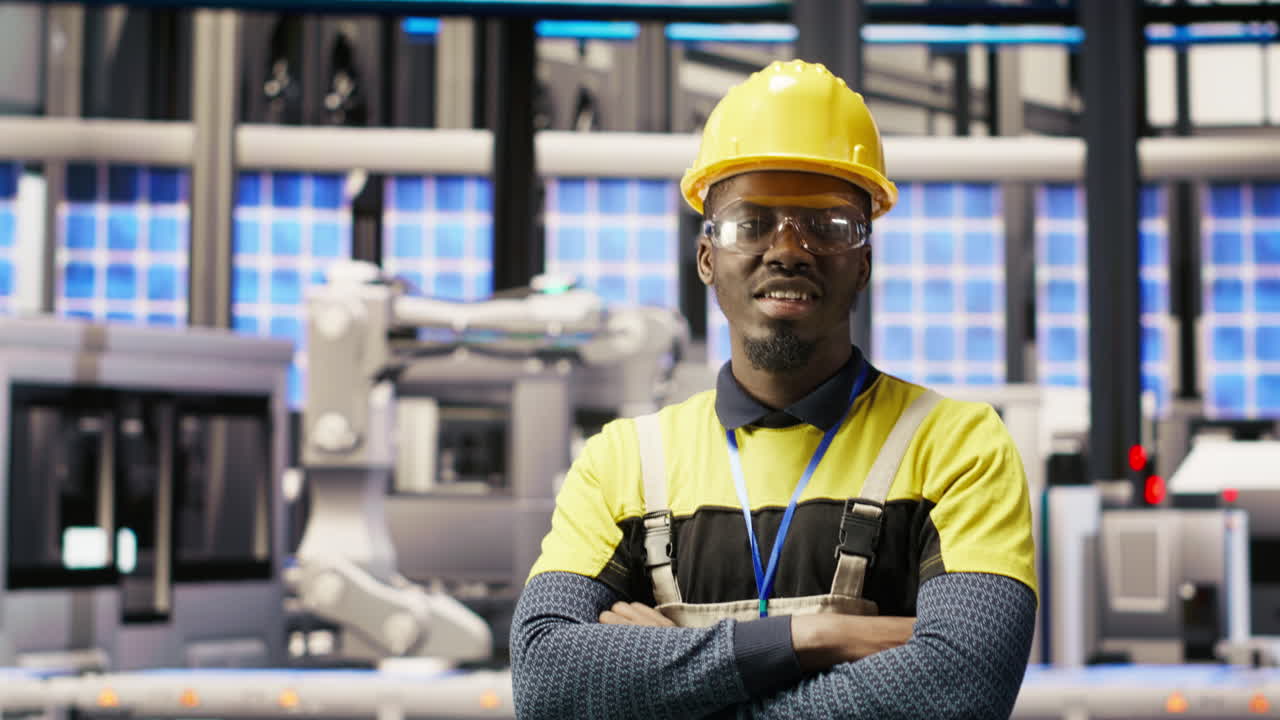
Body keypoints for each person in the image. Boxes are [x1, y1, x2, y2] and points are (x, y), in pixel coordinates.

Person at [510, 59, 1037, 719]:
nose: (789, 249)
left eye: (829, 226)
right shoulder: (622, 465)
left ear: (863, 261)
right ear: (708, 257)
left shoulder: (958, 447)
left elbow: (959, 686)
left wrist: (676, 680)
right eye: (750, 223)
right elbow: (545, 680)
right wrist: (822, 635)